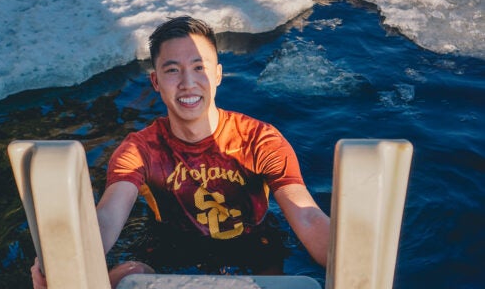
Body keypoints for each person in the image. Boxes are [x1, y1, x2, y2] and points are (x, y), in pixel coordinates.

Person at [31, 16, 330, 289]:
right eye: (173, 70)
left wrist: (355, 261)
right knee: (126, 273)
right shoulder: (139, 149)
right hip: (170, 252)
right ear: (156, 82)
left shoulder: (259, 140)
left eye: (199, 67)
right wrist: (66, 262)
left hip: (254, 250)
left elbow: (306, 217)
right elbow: (108, 217)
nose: (188, 83)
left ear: (217, 75)